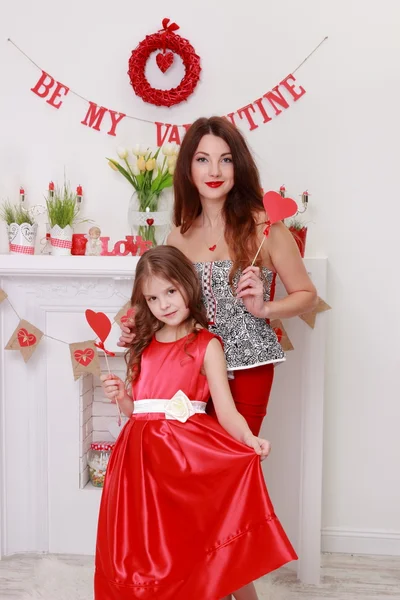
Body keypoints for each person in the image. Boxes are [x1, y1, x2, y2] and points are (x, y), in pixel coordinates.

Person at [118, 116, 317, 600]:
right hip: (188, 375)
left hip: (245, 369)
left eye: (225, 159)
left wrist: (265, 307)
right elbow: (159, 295)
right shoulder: (176, 231)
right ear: (188, 168)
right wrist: (127, 317)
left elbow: (306, 295)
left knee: (229, 494)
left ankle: (240, 594)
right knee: (189, 495)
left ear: (238, 166)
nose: (214, 169)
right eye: (203, 159)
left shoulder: (265, 226)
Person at [95, 246, 297, 600]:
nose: (164, 304)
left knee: (194, 537)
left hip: (185, 459)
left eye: (171, 291)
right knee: (147, 545)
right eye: (153, 298)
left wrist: (249, 439)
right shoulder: (142, 346)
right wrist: (120, 396)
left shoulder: (207, 345)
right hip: (139, 463)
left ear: (188, 285)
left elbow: (227, 410)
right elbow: (138, 410)